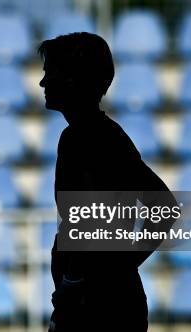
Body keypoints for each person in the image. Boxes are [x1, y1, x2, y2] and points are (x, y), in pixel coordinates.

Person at [38, 32, 177, 331]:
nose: (43, 83)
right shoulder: (98, 136)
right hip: (98, 303)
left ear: (74, 79)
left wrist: (89, 280)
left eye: (51, 73)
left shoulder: (88, 139)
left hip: (99, 310)